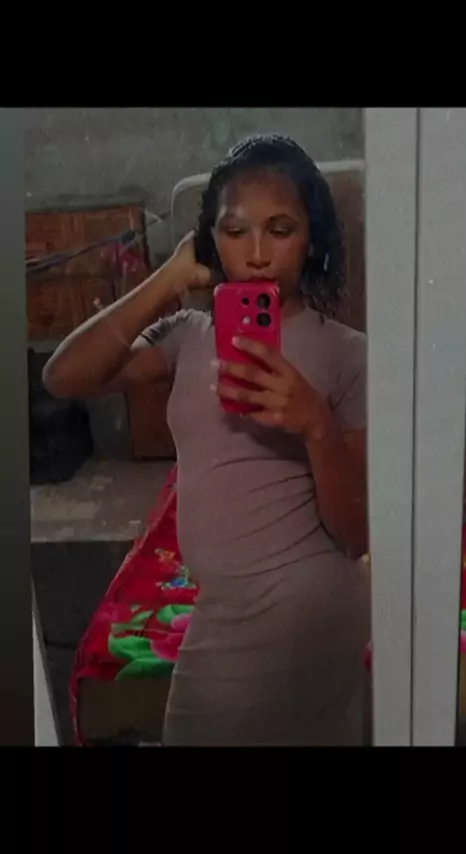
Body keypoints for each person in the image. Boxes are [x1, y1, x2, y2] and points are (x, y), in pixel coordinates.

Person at [44, 134, 370, 746]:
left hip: (310, 614)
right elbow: (63, 377)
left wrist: (315, 424)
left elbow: (355, 535)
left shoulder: (348, 353)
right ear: (208, 239)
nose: (257, 254)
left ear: (312, 238)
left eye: (280, 230)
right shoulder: (187, 335)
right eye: (234, 230)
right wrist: (167, 279)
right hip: (221, 611)